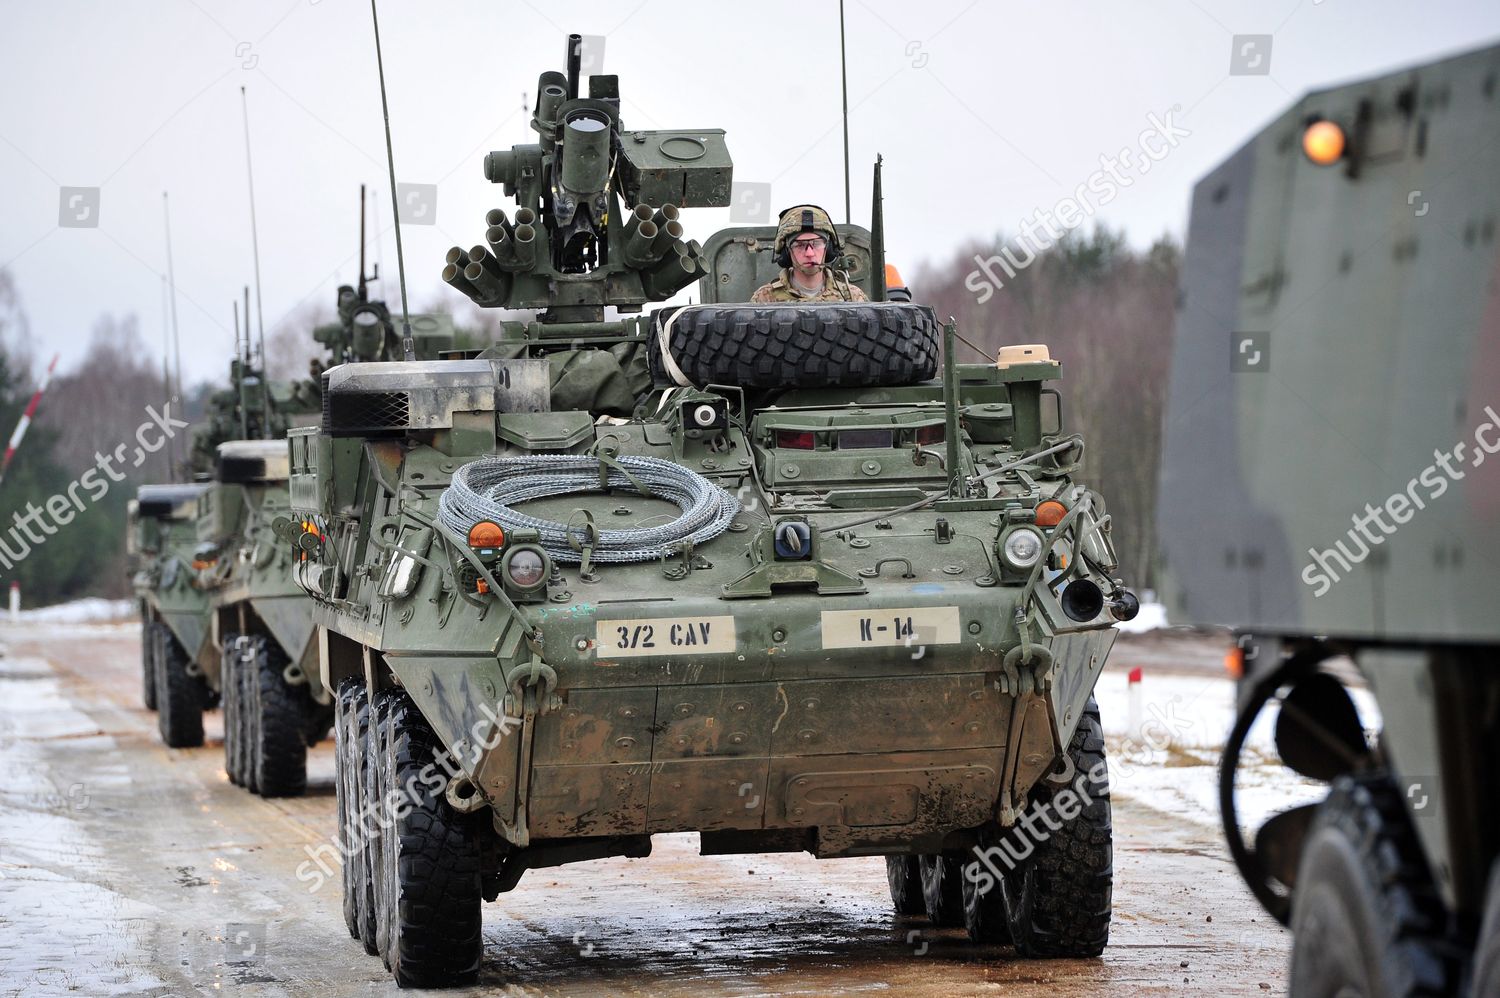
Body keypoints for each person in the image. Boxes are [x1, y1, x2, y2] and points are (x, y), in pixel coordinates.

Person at [750, 204, 868, 302]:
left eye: (817, 243)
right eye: (800, 245)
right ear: (787, 251)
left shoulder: (852, 297)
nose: (810, 253)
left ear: (828, 248)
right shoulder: (764, 298)